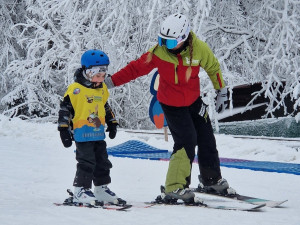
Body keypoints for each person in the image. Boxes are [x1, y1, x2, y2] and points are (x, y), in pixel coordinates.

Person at [105, 13, 236, 203]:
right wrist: (110, 82)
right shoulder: (159, 53)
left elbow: (213, 67)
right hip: (172, 104)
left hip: (193, 101)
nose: (164, 45)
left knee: (206, 137)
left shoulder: (199, 49)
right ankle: (174, 187)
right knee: (186, 141)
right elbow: (135, 69)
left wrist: (221, 90)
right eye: (161, 40)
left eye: (169, 42)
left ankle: (211, 180)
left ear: (183, 38)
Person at [58, 49, 126, 205]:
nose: (101, 79)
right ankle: (80, 190)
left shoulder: (101, 89)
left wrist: (112, 122)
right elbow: (65, 110)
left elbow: (105, 107)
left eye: (103, 75)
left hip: (98, 134)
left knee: (102, 162)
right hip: (83, 135)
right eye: (97, 75)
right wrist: (63, 129)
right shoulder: (76, 89)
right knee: (86, 162)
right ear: (88, 72)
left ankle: (101, 189)